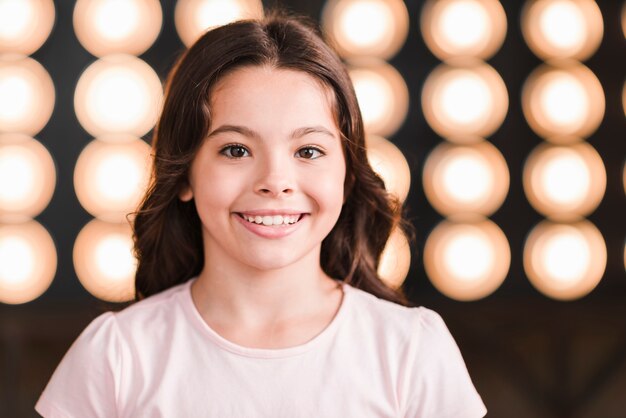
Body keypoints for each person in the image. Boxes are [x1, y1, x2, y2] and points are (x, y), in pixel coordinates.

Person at [36, 12, 486, 418]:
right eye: (236, 149)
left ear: (347, 176)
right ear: (185, 174)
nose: (275, 180)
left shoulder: (412, 350)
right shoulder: (116, 356)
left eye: (308, 150)